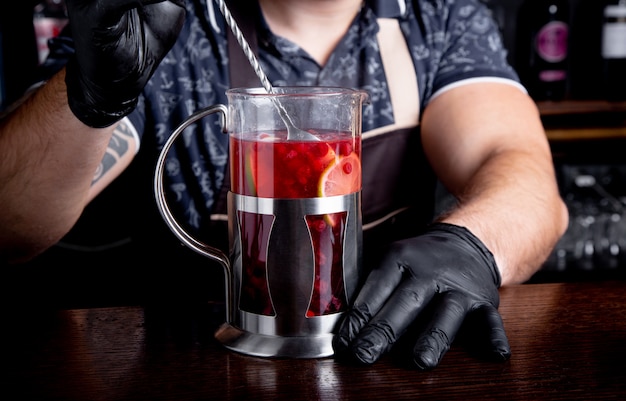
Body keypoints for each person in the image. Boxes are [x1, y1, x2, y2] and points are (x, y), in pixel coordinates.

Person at [0, 0, 568, 370]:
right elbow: (8, 224)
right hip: (196, 368)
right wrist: (90, 97)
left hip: (390, 361)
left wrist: (471, 242)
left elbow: (518, 170)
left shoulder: (437, 16)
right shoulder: (157, 19)